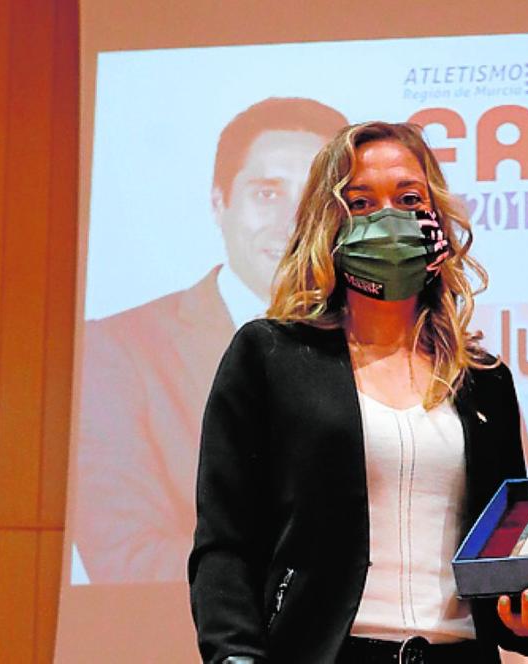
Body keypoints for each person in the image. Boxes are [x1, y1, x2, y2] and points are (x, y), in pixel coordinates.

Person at [189, 121, 528, 664]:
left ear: (437, 218)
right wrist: (235, 656)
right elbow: (225, 543)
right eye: (360, 202)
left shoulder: (485, 381)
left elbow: (501, 564)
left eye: (409, 198)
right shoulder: (270, 355)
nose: (390, 218)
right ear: (329, 223)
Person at [75, 97, 349, 582]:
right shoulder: (119, 351)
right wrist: (308, 589)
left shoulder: (383, 349)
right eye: (267, 194)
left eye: (315, 198)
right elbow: (125, 555)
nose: (292, 221)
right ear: (219, 203)